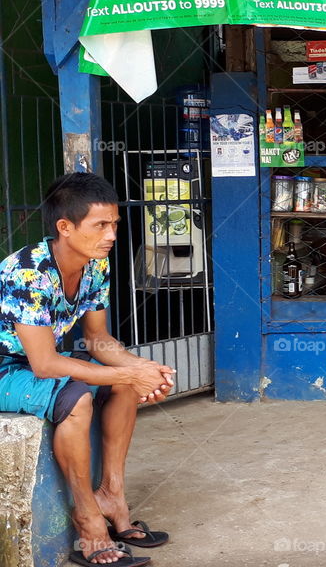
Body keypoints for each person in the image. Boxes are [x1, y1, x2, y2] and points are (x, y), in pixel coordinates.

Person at [0, 173, 174, 567]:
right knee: (76, 398)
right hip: (5, 368)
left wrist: (146, 370)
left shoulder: (96, 266)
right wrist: (129, 373)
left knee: (124, 387)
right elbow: (45, 364)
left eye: (113, 224)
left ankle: (112, 495)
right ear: (65, 227)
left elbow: (97, 339)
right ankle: (88, 520)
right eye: (100, 225)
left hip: (32, 363)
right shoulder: (27, 271)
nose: (111, 235)